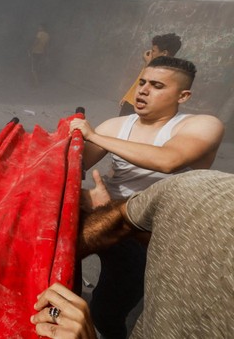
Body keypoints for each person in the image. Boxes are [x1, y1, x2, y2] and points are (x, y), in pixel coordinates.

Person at [69, 56, 224, 338]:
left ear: (183, 95)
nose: (142, 90)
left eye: (156, 85)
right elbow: (72, 169)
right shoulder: (116, 126)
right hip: (103, 217)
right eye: (141, 82)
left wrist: (92, 135)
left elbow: (169, 160)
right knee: (56, 273)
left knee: (106, 312)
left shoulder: (202, 125)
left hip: (148, 235)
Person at [31, 169, 234, 339]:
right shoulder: (202, 190)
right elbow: (122, 218)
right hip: (135, 234)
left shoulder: (203, 133)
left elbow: (171, 158)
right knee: (103, 312)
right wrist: (56, 259)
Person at [119, 33, 181, 116]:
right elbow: (138, 82)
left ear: (164, 53)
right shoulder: (152, 63)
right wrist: (127, 97)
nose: (151, 53)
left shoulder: (167, 70)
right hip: (131, 102)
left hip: (141, 105)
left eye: (153, 51)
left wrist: (148, 64)